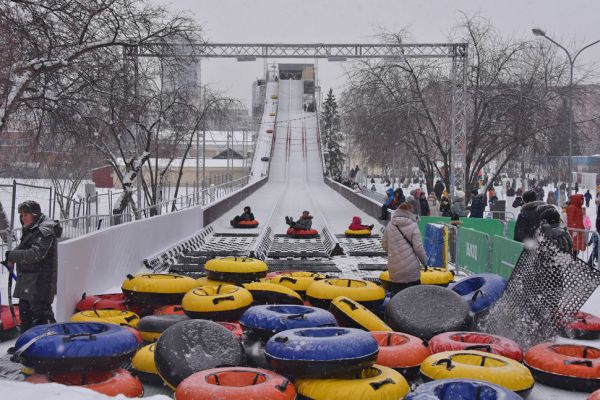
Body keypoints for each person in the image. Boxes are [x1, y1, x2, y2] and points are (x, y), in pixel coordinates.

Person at [3, 201, 61, 332]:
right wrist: (10, 257)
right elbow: (23, 248)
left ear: (35, 215)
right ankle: (25, 346)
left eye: (26, 215)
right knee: (26, 317)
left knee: (41, 317)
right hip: (28, 284)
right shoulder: (31, 229)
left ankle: (48, 347)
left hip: (40, 285)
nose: (23, 218)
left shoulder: (45, 231)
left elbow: (35, 254)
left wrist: (13, 255)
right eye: (21, 215)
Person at [381, 202, 428, 294]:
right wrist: (424, 262)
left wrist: (393, 253)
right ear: (410, 212)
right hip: (411, 269)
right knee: (413, 296)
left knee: (396, 295)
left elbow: (384, 244)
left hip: (394, 267)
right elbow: (418, 248)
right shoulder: (413, 225)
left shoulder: (390, 225)